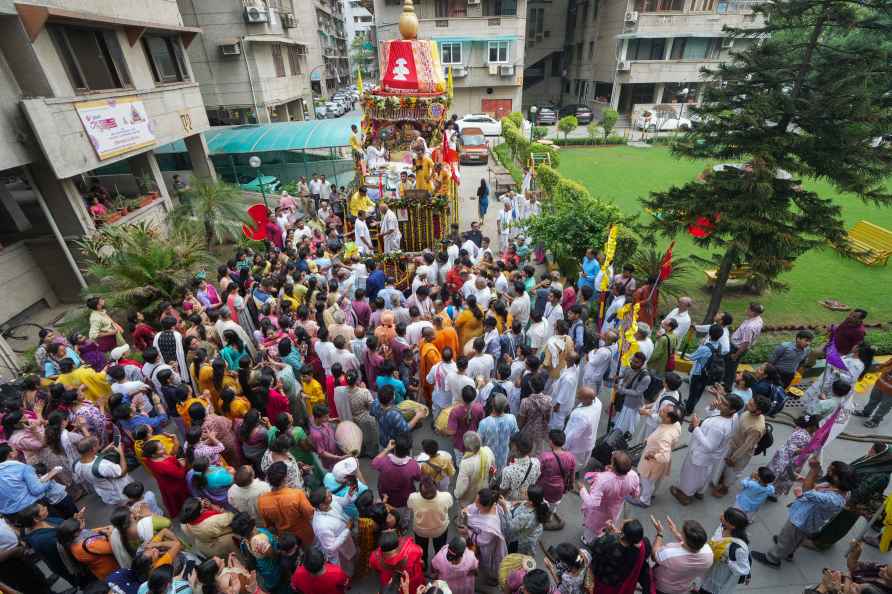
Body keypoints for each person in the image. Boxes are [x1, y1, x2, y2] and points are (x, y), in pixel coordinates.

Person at [752, 458, 856, 568]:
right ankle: (789, 552)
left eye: (830, 471)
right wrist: (804, 479)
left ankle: (772, 559)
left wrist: (813, 470)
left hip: (802, 520)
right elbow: (816, 487)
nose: (827, 471)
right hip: (809, 521)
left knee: (787, 536)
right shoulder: (842, 489)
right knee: (797, 538)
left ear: (837, 478)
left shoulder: (833, 499)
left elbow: (807, 491)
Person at [670, 394, 743, 506]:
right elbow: (714, 418)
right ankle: (699, 491)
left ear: (732, 410)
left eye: (724, 404)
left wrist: (696, 427)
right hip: (711, 457)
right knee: (704, 474)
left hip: (701, 454)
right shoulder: (733, 417)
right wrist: (712, 408)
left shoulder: (719, 427)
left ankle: (685, 495)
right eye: (721, 400)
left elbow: (709, 446)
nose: (720, 403)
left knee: (690, 475)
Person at [711, 394, 770, 497]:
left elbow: (746, 446)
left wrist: (733, 458)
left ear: (759, 411)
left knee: (732, 472)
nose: (748, 404)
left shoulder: (756, 428)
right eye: (750, 402)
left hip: (741, 454)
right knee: (725, 467)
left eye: (751, 404)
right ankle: (721, 478)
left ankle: (725, 488)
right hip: (733, 444)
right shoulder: (749, 412)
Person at [579, 450, 640, 544]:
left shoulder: (603, 479)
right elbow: (635, 494)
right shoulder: (634, 476)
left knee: (591, 530)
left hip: (598, 512)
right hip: (615, 509)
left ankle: (588, 541)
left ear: (614, 466)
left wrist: (582, 490)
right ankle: (603, 534)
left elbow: (592, 503)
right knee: (607, 525)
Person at [628, 404, 682, 508]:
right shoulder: (676, 424)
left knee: (647, 481)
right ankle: (649, 494)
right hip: (656, 459)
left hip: (652, 463)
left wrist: (653, 455)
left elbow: (664, 457)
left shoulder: (665, 435)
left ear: (668, 418)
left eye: (663, 411)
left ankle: (644, 500)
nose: (660, 410)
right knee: (651, 481)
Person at [256, 461, 316, 549]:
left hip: (285, 539)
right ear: (285, 478)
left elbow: (269, 525)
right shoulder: (297, 494)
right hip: (305, 534)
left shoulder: (262, 501)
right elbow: (310, 514)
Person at [651, 516, 714, 594]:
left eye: (682, 533)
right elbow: (691, 544)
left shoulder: (670, 553)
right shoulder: (709, 554)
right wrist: (675, 532)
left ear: (684, 539)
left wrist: (659, 533)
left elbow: (654, 556)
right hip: (684, 588)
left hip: (662, 587)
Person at [589, 518, 653, 594]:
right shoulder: (637, 549)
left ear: (623, 532)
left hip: (602, 578)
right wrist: (616, 533)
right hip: (617, 582)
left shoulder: (609, 541)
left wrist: (607, 531)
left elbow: (593, 545)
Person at [461, 488, 507, 586]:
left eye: (477, 502)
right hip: (483, 543)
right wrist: (466, 510)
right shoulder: (491, 504)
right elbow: (472, 507)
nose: (475, 503)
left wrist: (467, 532)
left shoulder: (490, 526)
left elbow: (482, 541)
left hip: (488, 549)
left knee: (488, 564)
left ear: (485, 506)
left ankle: (493, 579)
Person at [699, 507, 751, 594]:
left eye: (725, 516)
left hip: (720, 573)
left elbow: (744, 569)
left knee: (709, 590)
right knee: (704, 585)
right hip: (712, 566)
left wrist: (727, 561)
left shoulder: (738, 547)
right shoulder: (722, 527)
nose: (721, 516)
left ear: (732, 525)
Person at [309, 487, 357, 575]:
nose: (331, 494)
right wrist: (347, 529)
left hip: (346, 537)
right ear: (321, 505)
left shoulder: (330, 500)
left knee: (351, 556)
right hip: (340, 551)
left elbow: (342, 501)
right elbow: (331, 547)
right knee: (346, 568)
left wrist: (349, 495)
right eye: (328, 495)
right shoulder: (322, 526)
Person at [536, 429, 576, 529]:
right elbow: (572, 475)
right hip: (559, 488)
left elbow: (536, 473)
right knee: (554, 504)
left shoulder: (545, 457)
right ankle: (549, 517)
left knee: (541, 503)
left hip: (544, 487)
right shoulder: (570, 457)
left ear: (551, 441)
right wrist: (570, 486)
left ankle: (539, 519)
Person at [371, 433, 422, 508]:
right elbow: (418, 478)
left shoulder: (384, 461)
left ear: (394, 447)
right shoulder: (413, 465)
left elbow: (374, 463)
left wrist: (387, 449)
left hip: (386, 494)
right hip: (404, 497)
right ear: (409, 449)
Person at [685, 324, 725, 415]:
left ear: (709, 334)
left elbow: (692, 357)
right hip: (709, 373)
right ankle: (692, 404)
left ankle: (688, 409)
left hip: (699, 372)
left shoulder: (705, 348)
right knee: (699, 392)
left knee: (693, 393)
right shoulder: (719, 346)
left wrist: (701, 345)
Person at [723, 303, 764, 392]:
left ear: (753, 313)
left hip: (737, 348)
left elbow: (745, 343)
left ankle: (727, 387)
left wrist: (736, 355)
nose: (746, 310)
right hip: (739, 347)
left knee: (731, 367)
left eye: (748, 309)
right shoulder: (758, 320)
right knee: (730, 366)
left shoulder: (750, 326)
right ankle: (726, 383)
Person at [612, 351, 651, 434]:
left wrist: (621, 389)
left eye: (636, 362)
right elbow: (627, 374)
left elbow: (637, 392)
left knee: (625, 426)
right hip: (622, 398)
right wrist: (619, 377)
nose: (632, 363)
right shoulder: (631, 367)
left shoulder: (645, 377)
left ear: (642, 363)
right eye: (632, 360)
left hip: (631, 404)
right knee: (618, 419)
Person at [564, 386, 602, 470]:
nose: (577, 397)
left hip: (577, 446)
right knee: (582, 463)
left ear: (587, 399)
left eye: (580, 397)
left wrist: (564, 446)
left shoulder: (582, 417)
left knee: (572, 465)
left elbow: (573, 435)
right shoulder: (598, 402)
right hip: (589, 442)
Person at [478, 394, 519, 471]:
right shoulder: (512, 418)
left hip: (488, 457)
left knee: (489, 476)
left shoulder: (484, 423)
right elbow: (515, 436)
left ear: (492, 405)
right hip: (504, 456)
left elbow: (479, 442)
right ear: (506, 406)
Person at [454, 431, 495, 507]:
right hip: (483, 489)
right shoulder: (488, 451)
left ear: (468, 447)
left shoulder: (466, 463)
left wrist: (457, 495)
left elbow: (462, 486)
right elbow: (492, 468)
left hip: (469, 497)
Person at [518, 374, 553, 454]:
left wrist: (519, 430)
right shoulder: (549, 400)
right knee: (538, 449)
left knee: (526, 448)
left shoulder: (525, 402)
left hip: (528, 429)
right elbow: (548, 418)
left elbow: (522, 420)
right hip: (541, 428)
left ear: (531, 386)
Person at [854, 356, 892, 428]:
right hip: (881, 383)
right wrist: (881, 366)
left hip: (890, 392)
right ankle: (866, 412)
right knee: (873, 399)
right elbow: (888, 362)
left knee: (884, 406)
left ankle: (875, 420)